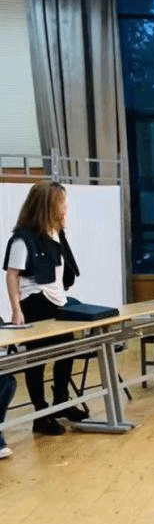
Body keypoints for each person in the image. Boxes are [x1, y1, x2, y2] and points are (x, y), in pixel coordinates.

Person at [3, 180, 84, 435]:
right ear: (47, 206)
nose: (65, 208)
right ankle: (40, 414)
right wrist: (16, 310)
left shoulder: (56, 234)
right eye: (62, 204)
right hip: (35, 302)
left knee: (67, 349)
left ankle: (61, 401)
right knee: (37, 358)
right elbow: (12, 275)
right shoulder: (22, 239)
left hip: (57, 301)